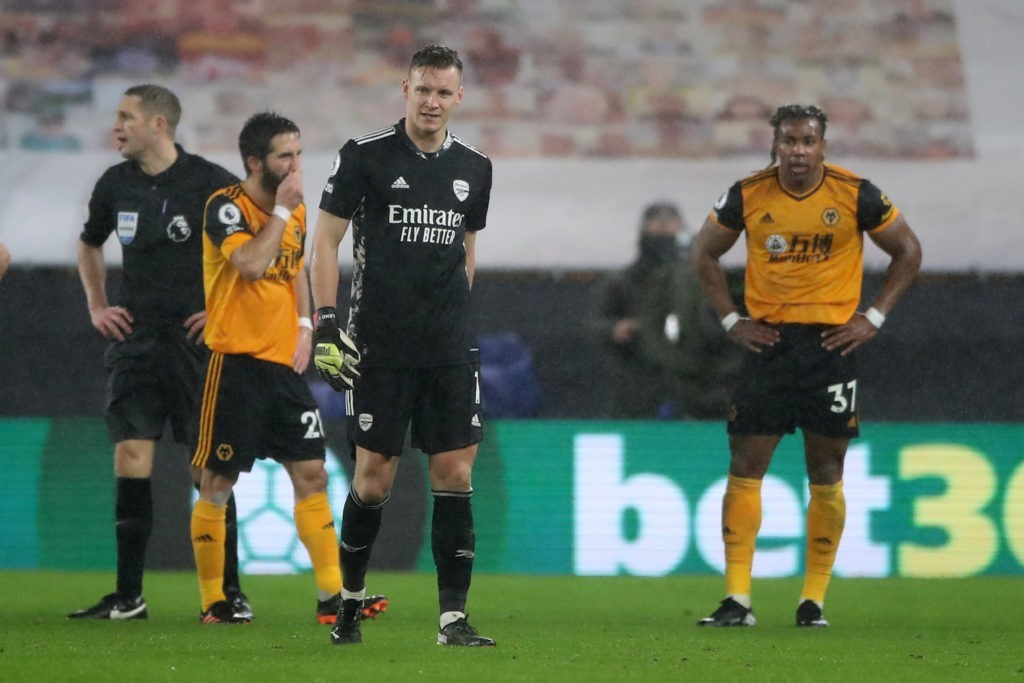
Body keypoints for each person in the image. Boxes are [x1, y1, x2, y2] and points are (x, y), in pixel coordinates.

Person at [692, 104, 922, 628]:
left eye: (808, 141)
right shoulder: (747, 194)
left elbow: (907, 250)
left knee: (826, 471)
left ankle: (812, 600)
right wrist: (732, 321)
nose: (798, 151)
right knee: (746, 467)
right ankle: (737, 600)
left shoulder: (856, 194)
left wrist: (874, 317)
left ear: (823, 146)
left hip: (831, 347)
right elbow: (704, 252)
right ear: (775, 145)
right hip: (767, 345)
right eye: (789, 141)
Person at [310, 44, 495, 647]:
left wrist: (455, 316)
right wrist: (327, 323)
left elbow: (466, 249)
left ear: (459, 97)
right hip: (380, 347)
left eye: (445, 92)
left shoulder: (476, 166)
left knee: (455, 471)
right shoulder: (364, 157)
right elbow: (325, 243)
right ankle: (350, 604)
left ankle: (452, 619)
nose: (433, 101)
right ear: (406, 91)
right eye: (424, 90)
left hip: (447, 348)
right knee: (372, 479)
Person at [189, 111, 387, 625]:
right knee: (217, 481)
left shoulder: (292, 212)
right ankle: (215, 600)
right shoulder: (226, 208)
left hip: (283, 367)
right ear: (256, 161)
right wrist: (279, 212)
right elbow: (253, 265)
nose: (296, 165)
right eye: (285, 155)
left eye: (299, 153)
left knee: (313, 473)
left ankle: (332, 597)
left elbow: (294, 266)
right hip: (234, 364)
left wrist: (303, 325)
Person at [71, 84, 251, 621]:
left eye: (126, 117)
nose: (116, 126)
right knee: (130, 456)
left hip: (198, 345)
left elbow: (255, 256)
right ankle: (128, 597)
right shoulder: (114, 184)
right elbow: (89, 243)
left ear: (158, 125)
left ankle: (227, 595)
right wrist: (98, 305)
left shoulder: (211, 184)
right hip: (138, 341)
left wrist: (223, 314)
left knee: (208, 471)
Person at [592, 201, 741, 419]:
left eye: (669, 225)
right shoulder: (624, 282)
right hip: (642, 380)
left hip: (699, 382)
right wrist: (615, 329)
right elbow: (596, 324)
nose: (663, 230)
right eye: (657, 225)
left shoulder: (703, 278)